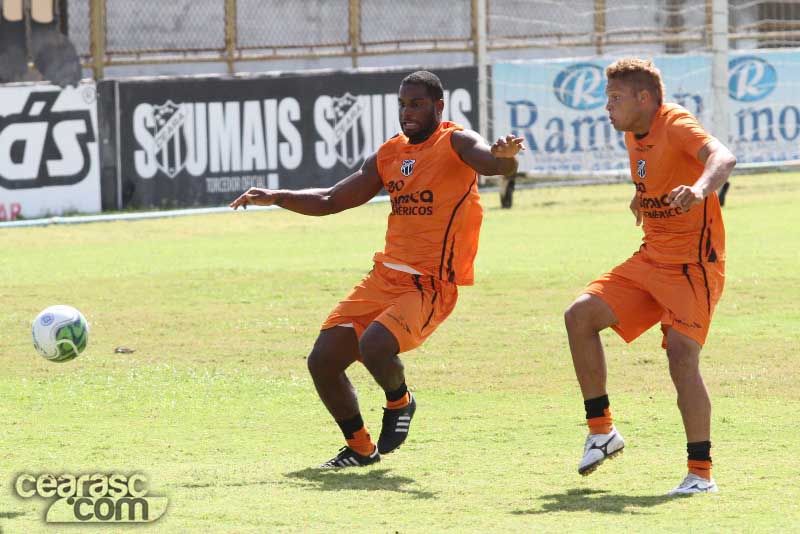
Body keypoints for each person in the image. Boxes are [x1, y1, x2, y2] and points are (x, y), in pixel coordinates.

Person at [230, 71, 524, 468]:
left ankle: (400, 402)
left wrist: (505, 158)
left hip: (430, 284)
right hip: (384, 277)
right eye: (403, 104)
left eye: (417, 104)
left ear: (439, 106)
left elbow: (491, 164)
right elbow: (333, 198)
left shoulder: (455, 141)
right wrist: (277, 196)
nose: (407, 112)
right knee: (323, 361)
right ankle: (360, 448)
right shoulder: (389, 154)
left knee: (374, 345)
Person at [564, 58, 736, 494]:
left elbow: (723, 156)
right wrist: (641, 197)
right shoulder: (631, 132)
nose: (607, 106)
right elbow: (654, 173)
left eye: (615, 98)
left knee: (681, 358)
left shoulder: (675, 122)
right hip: (652, 259)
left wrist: (698, 189)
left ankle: (700, 474)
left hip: (693, 265)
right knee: (580, 315)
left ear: (645, 99)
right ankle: (601, 432)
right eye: (607, 98)